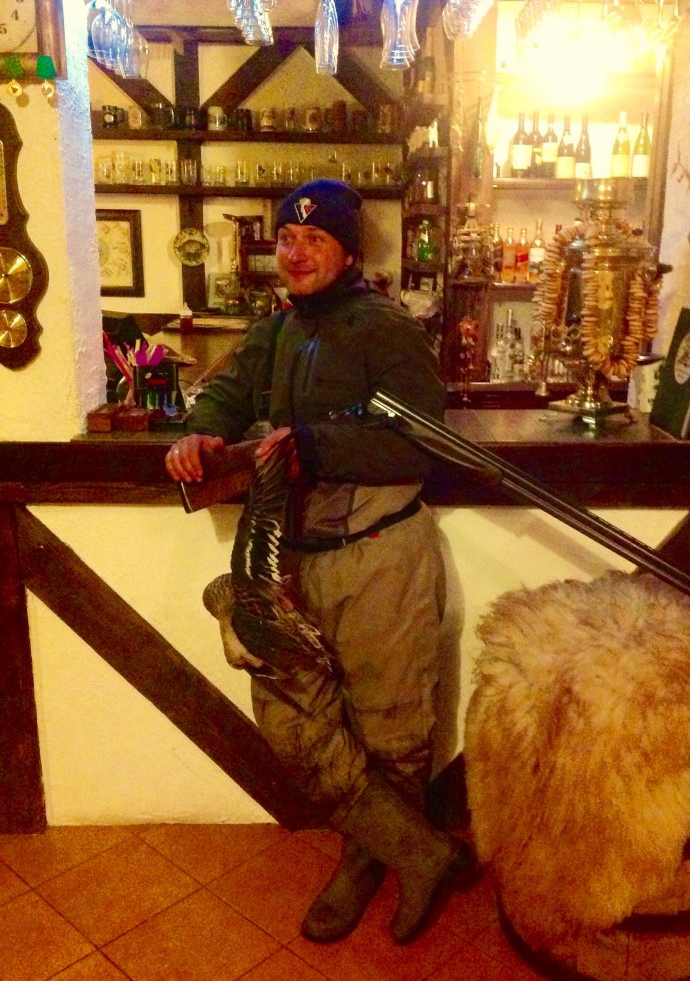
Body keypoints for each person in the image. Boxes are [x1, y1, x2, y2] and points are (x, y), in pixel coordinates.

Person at [165, 179, 472, 945]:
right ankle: (418, 853)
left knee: (392, 728)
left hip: (380, 559)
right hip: (295, 562)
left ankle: (370, 861)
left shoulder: (388, 330)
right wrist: (202, 432)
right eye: (287, 238)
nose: (295, 252)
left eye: (315, 239)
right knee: (305, 728)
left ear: (349, 254)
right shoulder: (276, 329)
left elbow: (422, 444)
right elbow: (225, 394)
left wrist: (316, 446)